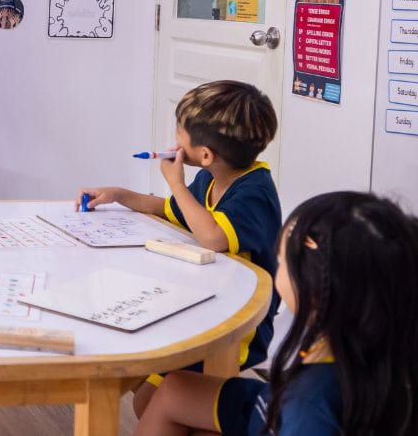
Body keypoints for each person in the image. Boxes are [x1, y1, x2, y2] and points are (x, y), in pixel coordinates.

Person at [135, 191, 418, 436]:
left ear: (314, 293)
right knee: (173, 389)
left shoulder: (311, 406)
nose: (276, 268)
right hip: (274, 402)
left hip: (283, 412)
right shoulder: (384, 337)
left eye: (281, 262)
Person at [79, 80, 281, 414]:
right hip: (199, 307)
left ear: (204, 155)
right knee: (145, 396)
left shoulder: (253, 193)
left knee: (150, 402)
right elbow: (170, 210)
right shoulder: (211, 178)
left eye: (180, 135)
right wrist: (119, 194)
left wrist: (176, 182)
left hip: (237, 326)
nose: (174, 141)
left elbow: (213, 237)